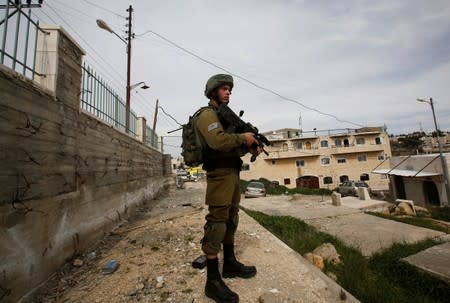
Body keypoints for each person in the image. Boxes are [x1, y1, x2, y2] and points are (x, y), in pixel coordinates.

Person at [196, 74, 262, 303]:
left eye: (230, 90)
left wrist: (250, 147)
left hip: (232, 173)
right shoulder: (207, 115)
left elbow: (230, 148)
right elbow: (217, 142)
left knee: (231, 218)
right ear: (213, 91)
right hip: (219, 175)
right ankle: (212, 282)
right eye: (224, 89)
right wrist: (243, 137)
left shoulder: (224, 118)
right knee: (217, 221)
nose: (228, 92)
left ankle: (230, 263)